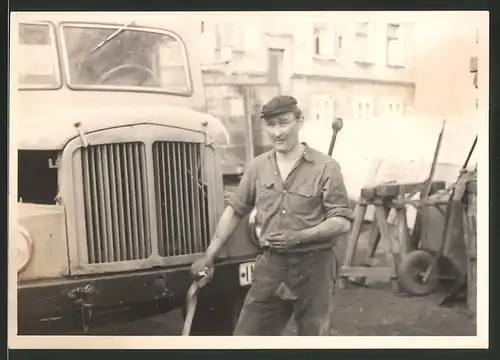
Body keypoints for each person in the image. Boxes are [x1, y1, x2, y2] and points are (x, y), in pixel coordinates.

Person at [191, 95, 353, 336]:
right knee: (246, 338)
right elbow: (235, 210)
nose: (277, 132)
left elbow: (342, 222)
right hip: (271, 266)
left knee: (314, 338)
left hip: (315, 267)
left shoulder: (326, 167)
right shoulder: (258, 167)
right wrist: (209, 255)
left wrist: (299, 236)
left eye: (284, 123)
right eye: (271, 125)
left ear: (300, 121)